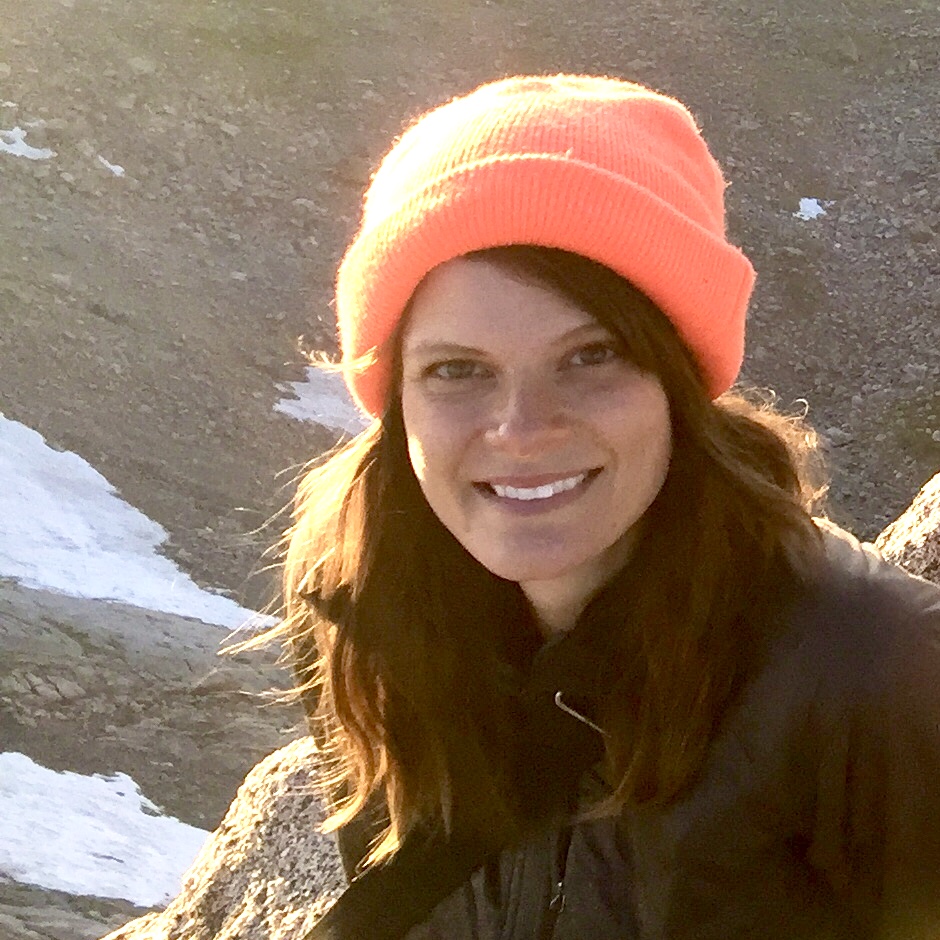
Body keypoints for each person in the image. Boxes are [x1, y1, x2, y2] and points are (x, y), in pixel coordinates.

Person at [268, 75, 940, 938]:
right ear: (396, 396)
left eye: (591, 356)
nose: (521, 430)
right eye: (456, 369)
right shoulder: (366, 597)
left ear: (678, 379)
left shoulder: (873, 673)